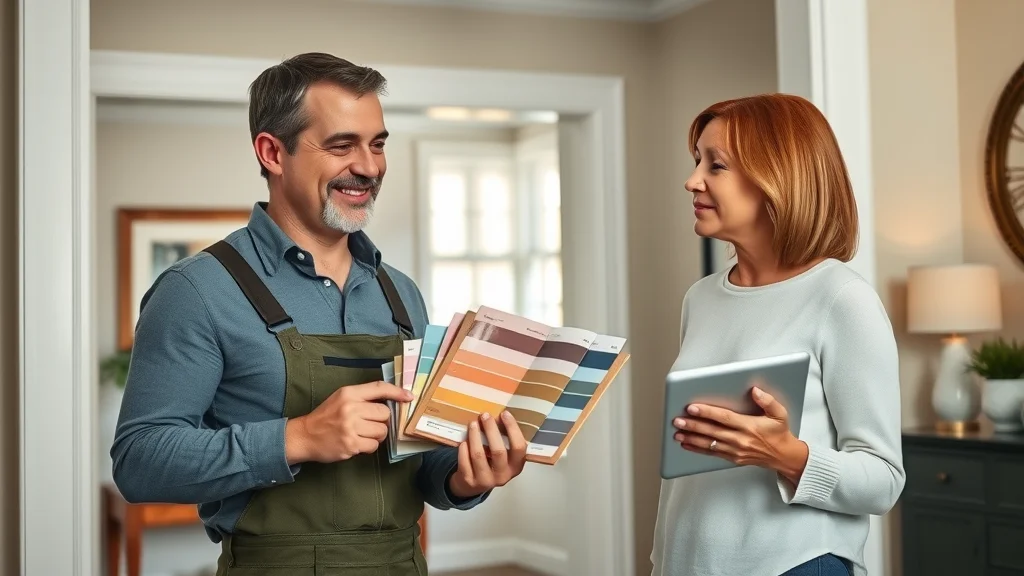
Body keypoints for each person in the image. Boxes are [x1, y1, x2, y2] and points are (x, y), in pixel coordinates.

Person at [111, 52, 528, 576]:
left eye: (377, 144)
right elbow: (140, 462)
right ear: (272, 152)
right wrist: (301, 437)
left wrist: (468, 477)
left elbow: (420, 462)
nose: (369, 167)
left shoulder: (400, 294)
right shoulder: (197, 290)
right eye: (341, 145)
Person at [650, 94, 905, 576]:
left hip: (796, 565)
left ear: (776, 178)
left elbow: (883, 480)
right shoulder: (701, 298)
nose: (692, 180)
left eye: (716, 165)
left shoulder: (842, 299)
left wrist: (788, 456)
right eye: (697, 160)